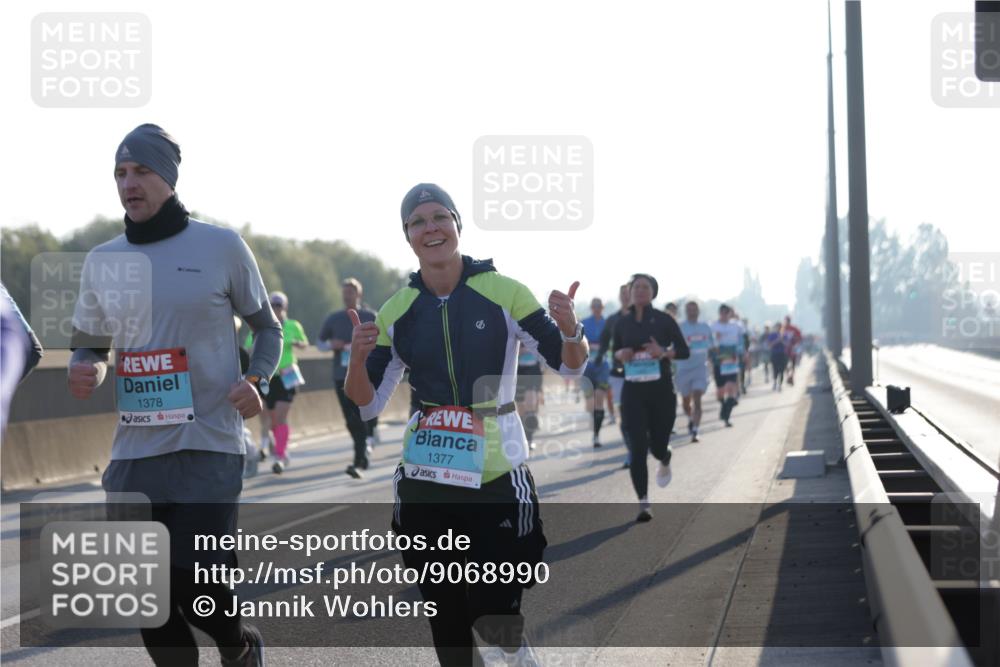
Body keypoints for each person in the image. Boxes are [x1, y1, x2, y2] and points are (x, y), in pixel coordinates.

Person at [345, 183, 587, 666]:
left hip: (497, 472)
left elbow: (569, 365)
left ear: (457, 225)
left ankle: (516, 654)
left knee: (491, 609)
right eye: (418, 222)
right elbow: (367, 404)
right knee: (447, 617)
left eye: (440, 217)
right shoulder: (397, 309)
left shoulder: (503, 291)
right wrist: (356, 358)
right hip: (426, 475)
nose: (430, 228)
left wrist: (570, 330)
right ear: (407, 236)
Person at [68, 124, 278, 666]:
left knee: (194, 585)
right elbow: (91, 344)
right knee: (150, 602)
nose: (128, 183)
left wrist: (256, 380)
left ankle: (238, 645)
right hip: (136, 452)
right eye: (120, 173)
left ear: (168, 176)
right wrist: (86, 366)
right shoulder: (102, 260)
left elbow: (267, 329)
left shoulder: (220, 246)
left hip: (209, 442)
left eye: (141, 171)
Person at [612, 274, 689, 522]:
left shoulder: (665, 320)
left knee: (656, 448)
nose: (640, 290)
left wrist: (663, 352)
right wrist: (620, 355)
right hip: (633, 391)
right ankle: (644, 503)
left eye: (646, 287)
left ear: (653, 292)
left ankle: (665, 455)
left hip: (662, 392)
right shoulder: (622, 323)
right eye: (637, 286)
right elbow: (616, 352)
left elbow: (684, 351)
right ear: (630, 292)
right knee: (637, 447)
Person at [318, 278, 379, 477]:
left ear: (358, 294)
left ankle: (360, 457)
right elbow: (319, 343)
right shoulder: (333, 318)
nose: (347, 295)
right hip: (340, 374)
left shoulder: (369, 315)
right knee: (350, 417)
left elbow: (384, 341)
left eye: (350, 292)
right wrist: (331, 345)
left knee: (363, 412)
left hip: (366, 372)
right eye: (344, 292)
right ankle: (362, 450)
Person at [246, 291, 308, 474]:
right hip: (267, 377)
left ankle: (279, 456)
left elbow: (304, 343)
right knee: (269, 419)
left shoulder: (293, 325)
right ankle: (276, 448)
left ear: (284, 307)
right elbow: (249, 347)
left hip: (287, 375)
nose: (275, 309)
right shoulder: (261, 327)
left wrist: (294, 342)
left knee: (280, 417)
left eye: (278, 306)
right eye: (272, 306)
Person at [598, 283, 632, 468]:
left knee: (642, 412)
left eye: (628, 293)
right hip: (618, 373)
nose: (626, 297)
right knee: (623, 413)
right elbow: (604, 341)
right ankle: (631, 450)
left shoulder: (642, 317)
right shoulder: (612, 319)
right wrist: (599, 356)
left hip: (641, 373)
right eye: (623, 294)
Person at [674, 301, 713, 443]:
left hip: (700, 368)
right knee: (686, 402)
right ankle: (690, 419)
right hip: (683, 369)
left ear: (698, 311)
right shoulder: (680, 327)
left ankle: (695, 430)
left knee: (697, 398)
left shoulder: (705, 327)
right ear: (686, 311)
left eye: (694, 309)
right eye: (689, 309)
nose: (692, 311)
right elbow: (673, 347)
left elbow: (712, 346)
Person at [581, 297, 610, 447]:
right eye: (595, 306)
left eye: (599, 306)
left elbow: (612, 343)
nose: (597, 308)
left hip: (602, 367)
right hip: (586, 368)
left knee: (599, 399)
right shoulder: (584, 322)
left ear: (603, 308)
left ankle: (596, 435)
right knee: (590, 404)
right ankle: (595, 419)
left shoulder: (607, 323)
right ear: (591, 308)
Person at [711, 304, 743, 427]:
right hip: (719, 360)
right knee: (720, 391)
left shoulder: (736, 325)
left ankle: (726, 416)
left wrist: (743, 353)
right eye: (722, 312)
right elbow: (709, 342)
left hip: (731, 359)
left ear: (730, 313)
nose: (724, 315)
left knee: (730, 386)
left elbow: (742, 340)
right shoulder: (713, 326)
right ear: (719, 313)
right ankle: (723, 405)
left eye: (727, 312)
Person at [515, 339, 545, 451]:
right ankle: (524, 437)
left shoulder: (535, 329)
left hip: (534, 371)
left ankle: (529, 440)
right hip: (517, 372)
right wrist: (519, 351)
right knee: (521, 410)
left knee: (530, 404)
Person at [782, 315, 803, 386]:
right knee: (785, 365)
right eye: (786, 320)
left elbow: (800, 337)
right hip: (785, 350)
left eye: (788, 320)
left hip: (793, 350)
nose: (787, 322)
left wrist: (795, 342)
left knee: (793, 365)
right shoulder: (783, 329)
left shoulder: (794, 328)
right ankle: (788, 376)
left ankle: (792, 377)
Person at [768, 323, 789, 391]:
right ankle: (775, 382)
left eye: (780, 327)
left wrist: (782, 340)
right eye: (778, 327)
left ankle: (780, 384)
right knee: (775, 369)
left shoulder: (784, 335)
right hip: (775, 354)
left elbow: (787, 344)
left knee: (782, 370)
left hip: (782, 354)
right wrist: (777, 340)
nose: (779, 328)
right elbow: (770, 345)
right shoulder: (772, 335)